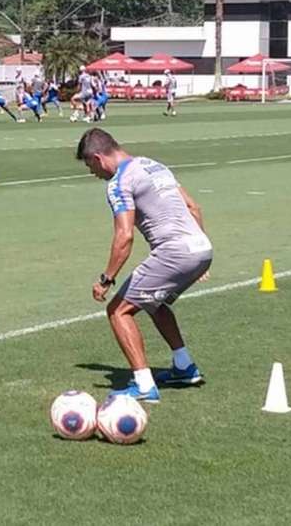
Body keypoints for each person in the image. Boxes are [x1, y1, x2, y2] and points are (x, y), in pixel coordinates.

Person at [75, 128, 212, 403]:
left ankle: (143, 385)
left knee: (118, 311)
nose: (93, 173)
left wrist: (106, 279)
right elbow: (193, 207)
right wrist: (200, 258)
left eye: (90, 166)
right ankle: (184, 367)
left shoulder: (118, 183)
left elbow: (124, 236)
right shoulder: (153, 165)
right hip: (201, 248)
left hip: (174, 253)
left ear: (99, 158)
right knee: (154, 302)